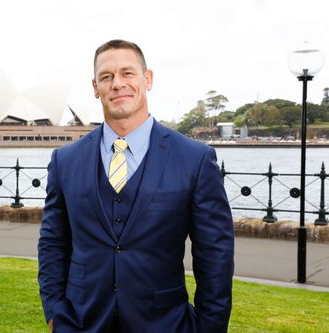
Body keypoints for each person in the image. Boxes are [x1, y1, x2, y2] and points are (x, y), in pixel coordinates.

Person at [38, 39, 234, 333]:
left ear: (148, 79)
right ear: (95, 87)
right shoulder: (65, 160)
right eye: (107, 76)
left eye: (127, 73)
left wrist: (209, 327)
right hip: (80, 323)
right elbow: (53, 242)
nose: (117, 84)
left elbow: (215, 254)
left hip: (166, 324)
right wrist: (54, 311)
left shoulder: (195, 159)